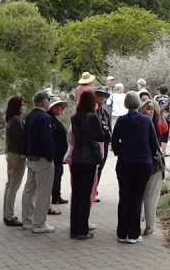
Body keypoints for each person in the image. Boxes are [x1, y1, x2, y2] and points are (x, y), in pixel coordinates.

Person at [112, 91, 159, 244]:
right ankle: (133, 234)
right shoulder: (146, 121)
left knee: (124, 196)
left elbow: (114, 141)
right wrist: (149, 155)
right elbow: (153, 143)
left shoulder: (121, 120)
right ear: (138, 103)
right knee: (137, 198)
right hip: (142, 163)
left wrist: (120, 152)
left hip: (125, 162)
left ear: (126, 104)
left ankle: (121, 233)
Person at [68, 91, 107, 240]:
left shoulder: (74, 117)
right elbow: (100, 136)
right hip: (89, 159)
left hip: (76, 157)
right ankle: (82, 230)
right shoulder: (93, 117)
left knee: (76, 194)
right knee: (85, 195)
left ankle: (74, 229)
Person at [22, 92, 62, 234]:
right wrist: (51, 156)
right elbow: (46, 140)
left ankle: (27, 220)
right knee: (43, 193)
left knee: (29, 190)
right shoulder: (45, 118)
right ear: (45, 102)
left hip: (31, 157)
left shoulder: (30, 116)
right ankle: (39, 223)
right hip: (42, 159)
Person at [139, 100, 169, 236]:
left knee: (146, 195)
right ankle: (147, 224)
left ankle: (147, 224)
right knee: (149, 196)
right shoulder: (146, 123)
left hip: (145, 162)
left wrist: (161, 115)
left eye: (152, 109)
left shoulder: (154, 121)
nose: (150, 111)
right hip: (152, 162)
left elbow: (164, 129)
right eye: (148, 109)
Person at [2, 96, 27, 227]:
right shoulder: (16, 120)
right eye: (22, 105)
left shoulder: (10, 119)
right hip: (18, 155)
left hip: (11, 154)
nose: (24, 108)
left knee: (10, 183)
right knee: (14, 185)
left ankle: (7, 213)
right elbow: (21, 139)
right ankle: (9, 215)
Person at [92, 87, 113, 203]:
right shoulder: (90, 111)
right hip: (94, 144)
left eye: (103, 96)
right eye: (99, 96)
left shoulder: (104, 111)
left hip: (103, 143)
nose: (102, 99)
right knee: (93, 168)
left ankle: (95, 190)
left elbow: (108, 127)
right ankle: (91, 191)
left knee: (100, 168)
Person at [50, 95, 70, 208]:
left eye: (60, 106)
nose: (59, 109)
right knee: (55, 174)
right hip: (56, 153)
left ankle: (57, 195)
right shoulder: (50, 119)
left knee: (59, 173)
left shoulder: (56, 118)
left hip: (60, 153)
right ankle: (55, 196)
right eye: (57, 106)